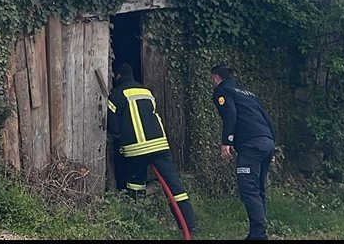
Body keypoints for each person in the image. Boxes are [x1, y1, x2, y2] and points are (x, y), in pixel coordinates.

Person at [107, 62, 197, 233]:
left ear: (118, 76)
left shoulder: (116, 94)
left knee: (135, 184)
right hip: (160, 146)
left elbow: (114, 128)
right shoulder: (146, 92)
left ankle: (137, 221)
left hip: (137, 149)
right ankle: (189, 224)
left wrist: (119, 139)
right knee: (174, 185)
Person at [211, 64, 277, 240]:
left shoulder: (223, 91)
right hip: (266, 142)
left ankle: (258, 234)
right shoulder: (248, 94)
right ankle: (259, 232)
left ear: (216, 77)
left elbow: (230, 114)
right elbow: (267, 119)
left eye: (212, 79)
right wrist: (272, 146)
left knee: (249, 188)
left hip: (251, 145)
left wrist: (227, 141)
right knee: (259, 189)